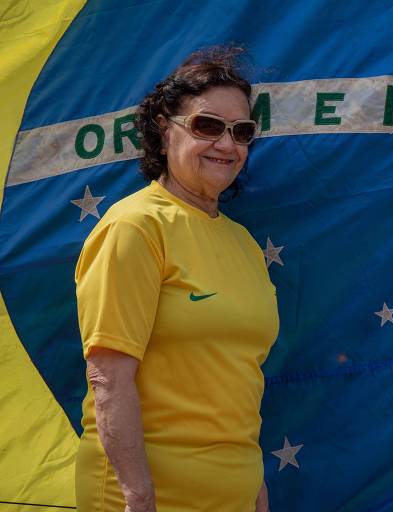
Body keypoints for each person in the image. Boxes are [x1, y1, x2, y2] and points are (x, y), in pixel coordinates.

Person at [74, 47, 278, 512]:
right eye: (208, 126)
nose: (227, 145)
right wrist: (138, 498)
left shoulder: (244, 244)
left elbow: (239, 384)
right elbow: (108, 378)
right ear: (165, 131)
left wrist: (254, 493)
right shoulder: (135, 227)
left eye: (241, 132)